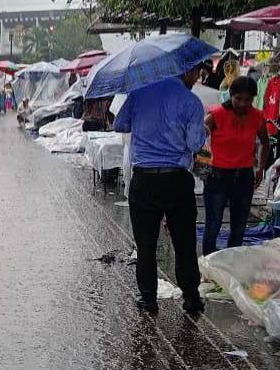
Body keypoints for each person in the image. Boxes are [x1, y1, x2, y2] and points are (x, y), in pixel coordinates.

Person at [113, 63, 209, 316]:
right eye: (197, 72)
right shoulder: (191, 102)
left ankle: (148, 299)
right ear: (186, 71)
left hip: (144, 180)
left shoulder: (140, 93)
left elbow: (119, 125)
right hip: (177, 180)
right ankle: (190, 298)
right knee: (184, 243)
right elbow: (194, 143)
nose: (198, 77)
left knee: (146, 245)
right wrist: (204, 131)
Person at [203, 76, 270, 254]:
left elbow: (265, 142)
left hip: (244, 177)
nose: (243, 103)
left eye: (248, 100)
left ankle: (232, 262)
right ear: (231, 95)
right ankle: (208, 262)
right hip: (217, 177)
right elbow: (199, 136)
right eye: (238, 98)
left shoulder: (257, 116)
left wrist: (261, 168)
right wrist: (201, 162)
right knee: (213, 223)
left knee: (239, 225)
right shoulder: (216, 115)